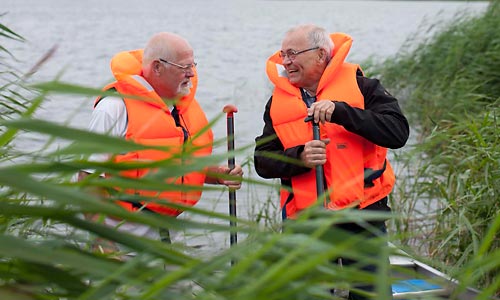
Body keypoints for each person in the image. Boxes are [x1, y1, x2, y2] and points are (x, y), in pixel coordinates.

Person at [254, 24, 409, 299]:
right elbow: (262, 161)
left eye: (292, 54)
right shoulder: (277, 103)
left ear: (321, 54)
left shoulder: (363, 87)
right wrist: (299, 157)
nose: (285, 62)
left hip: (362, 214)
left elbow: (397, 132)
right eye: (282, 55)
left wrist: (342, 112)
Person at [78, 32, 243, 253]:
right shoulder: (115, 107)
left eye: (193, 65)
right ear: (157, 67)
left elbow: (181, 167)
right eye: (184, 67)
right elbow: (88, 178)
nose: (192, 74)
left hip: (168, 241)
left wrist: (220, 175)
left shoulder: (180, 107)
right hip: (122, 241)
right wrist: (104, 243)